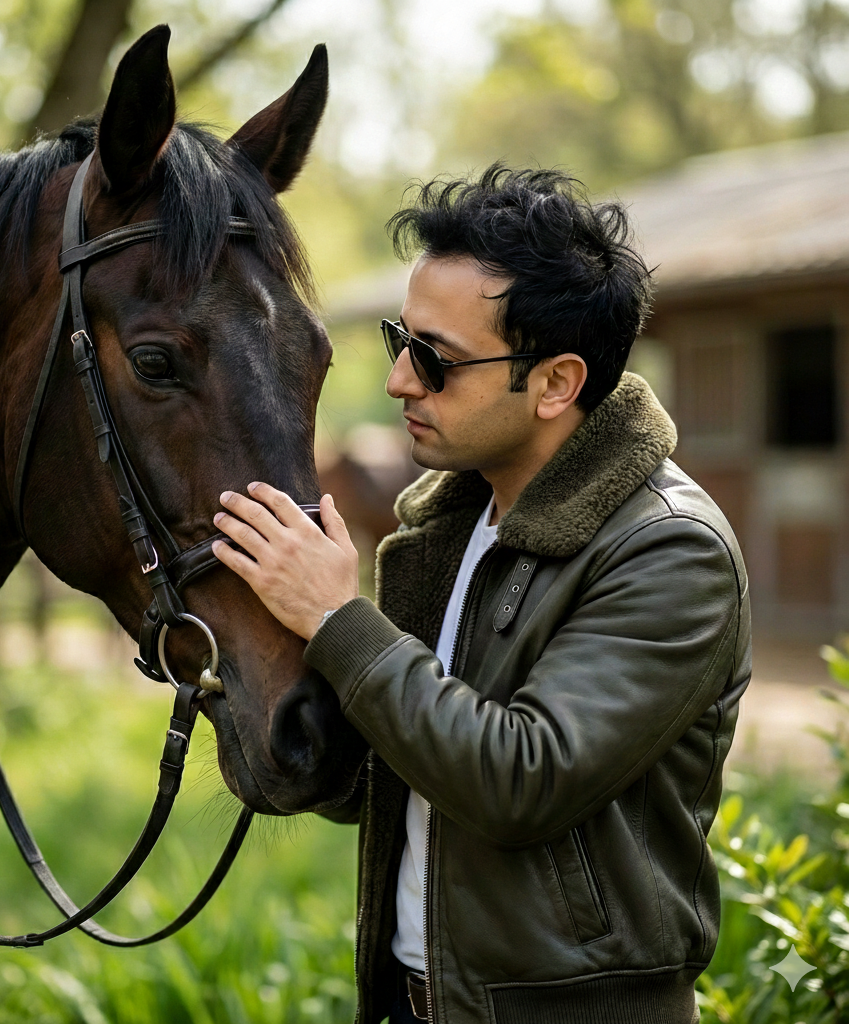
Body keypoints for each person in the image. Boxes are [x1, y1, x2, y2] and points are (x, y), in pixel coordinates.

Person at [211, 165, 750, 1024]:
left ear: (556, 383)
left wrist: (335, 619)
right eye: (401, 339)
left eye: (438, 360)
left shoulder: (670, 551)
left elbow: (518, 780)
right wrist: (244, 660)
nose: (400, 381)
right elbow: (396, 777)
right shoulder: (450, 522)